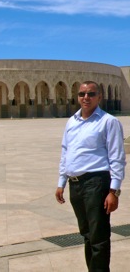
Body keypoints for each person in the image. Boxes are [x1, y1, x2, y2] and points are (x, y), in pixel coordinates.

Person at [55, 81, 126, 272]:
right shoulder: (72, 121)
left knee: (99, 237)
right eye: (82, 94)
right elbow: (66, 152)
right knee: (87, 235)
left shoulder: (108, 121)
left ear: (99, 97)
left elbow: (117, 158)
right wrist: (61, 182)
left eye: (91, 94)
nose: (86, 97)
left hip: (96, 183)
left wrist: (114, 191)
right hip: (75, 184)